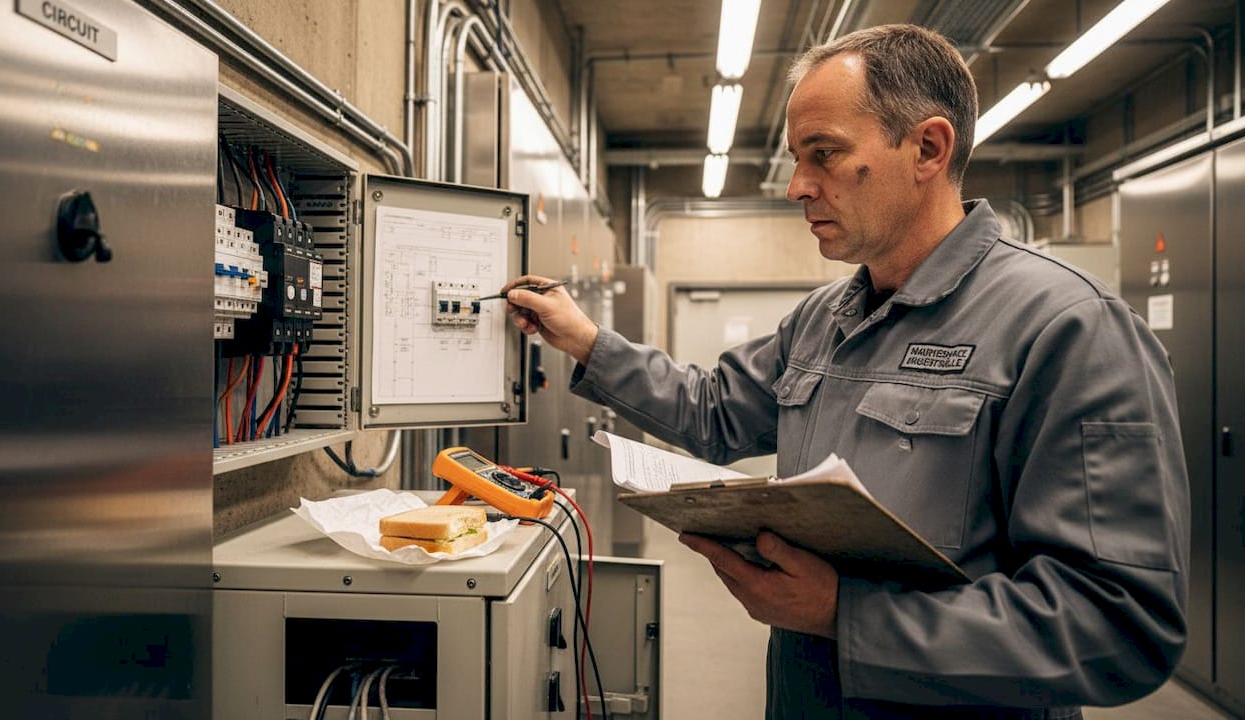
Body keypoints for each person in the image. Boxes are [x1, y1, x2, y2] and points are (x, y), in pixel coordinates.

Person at [502, 24, 1189, 720]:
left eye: (824, 154)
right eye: (799, 159)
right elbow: (713, 411)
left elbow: (1118, 625)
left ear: (927, 148)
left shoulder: (1068, 328)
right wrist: (587, 341)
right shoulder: (824, 318)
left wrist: (845, 615)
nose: (799, 186)